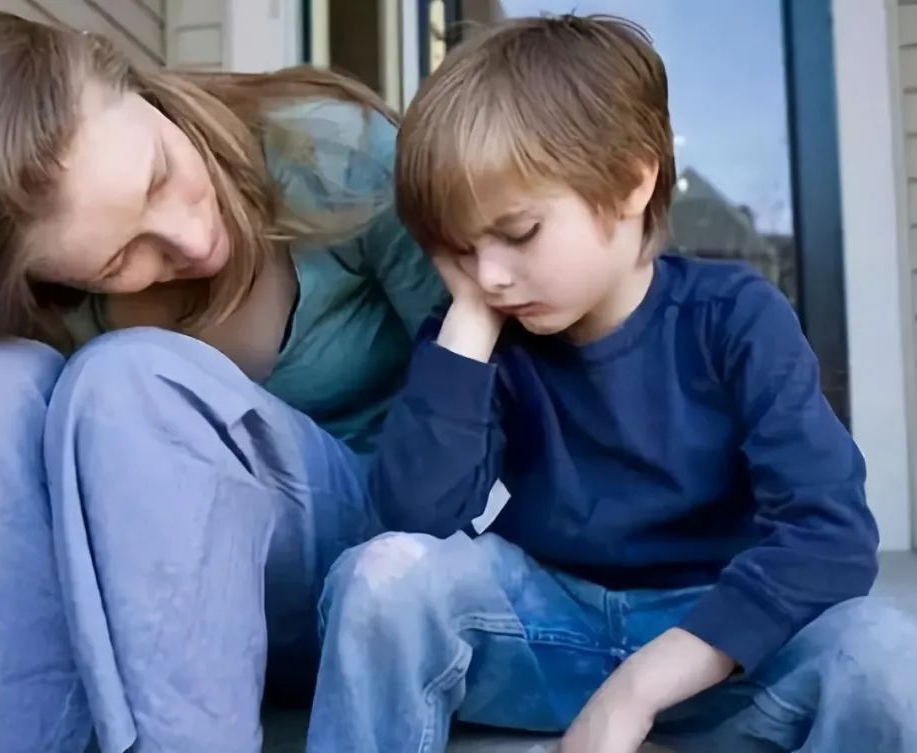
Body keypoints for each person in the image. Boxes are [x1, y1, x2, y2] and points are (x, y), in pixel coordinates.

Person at [0, 10, 445, 753]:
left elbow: (499, 385)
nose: (192, 240)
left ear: (134, 83)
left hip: (356, 571)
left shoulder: (323, 151)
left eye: (159, 172)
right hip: (133, 632)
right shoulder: (40, 306)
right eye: (115, 259)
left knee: (131, 381)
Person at [308, 14, 917, 753]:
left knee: (887, 654)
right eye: (461, 249)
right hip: (544, 630)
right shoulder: (483, 327)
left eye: (518, 233)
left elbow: (830, 536)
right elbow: (415, 518)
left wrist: (636, 690)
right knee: (379, 577)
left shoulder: (734, 317)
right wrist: (468, 317)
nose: (492, 273)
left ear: (632, 181)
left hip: (714, 649)